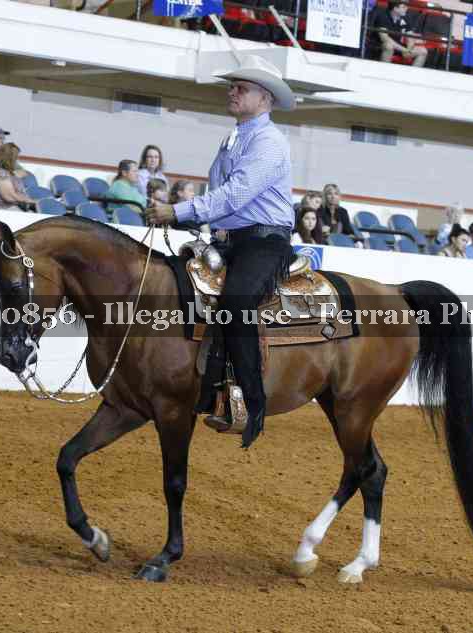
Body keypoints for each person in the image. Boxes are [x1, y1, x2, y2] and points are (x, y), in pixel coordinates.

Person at [144, 54, 296, 448]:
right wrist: (191, 218)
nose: (232, 92)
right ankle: (204, 382)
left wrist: (177, 211)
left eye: (241, 88)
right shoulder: (234, 139)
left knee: (236, 301)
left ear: (264, 99)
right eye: (232, 86)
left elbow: (234, 194)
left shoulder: (269, 141)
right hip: (229, 241)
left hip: (264, 241)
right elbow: (223, 198)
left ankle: (252, 402)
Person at [0, 142, 38, 211]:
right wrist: (30, 201)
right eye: (16, 157)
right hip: (3, 209)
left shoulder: (7, 172)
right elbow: (9, 197)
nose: (17, 160)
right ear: (10, 158)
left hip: (13, 207)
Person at [375, 1, 428, 67]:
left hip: (399, 47)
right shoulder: (382, 16)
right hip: (380, 46)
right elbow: (385, 38)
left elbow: (410, 36)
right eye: (404, 7)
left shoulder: (405, 17)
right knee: (388, 46)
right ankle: (384, 71)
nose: (407, 8)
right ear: (395, 8)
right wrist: (404, 49)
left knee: (423, 51)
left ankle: (413, 72)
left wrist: (408, 49)